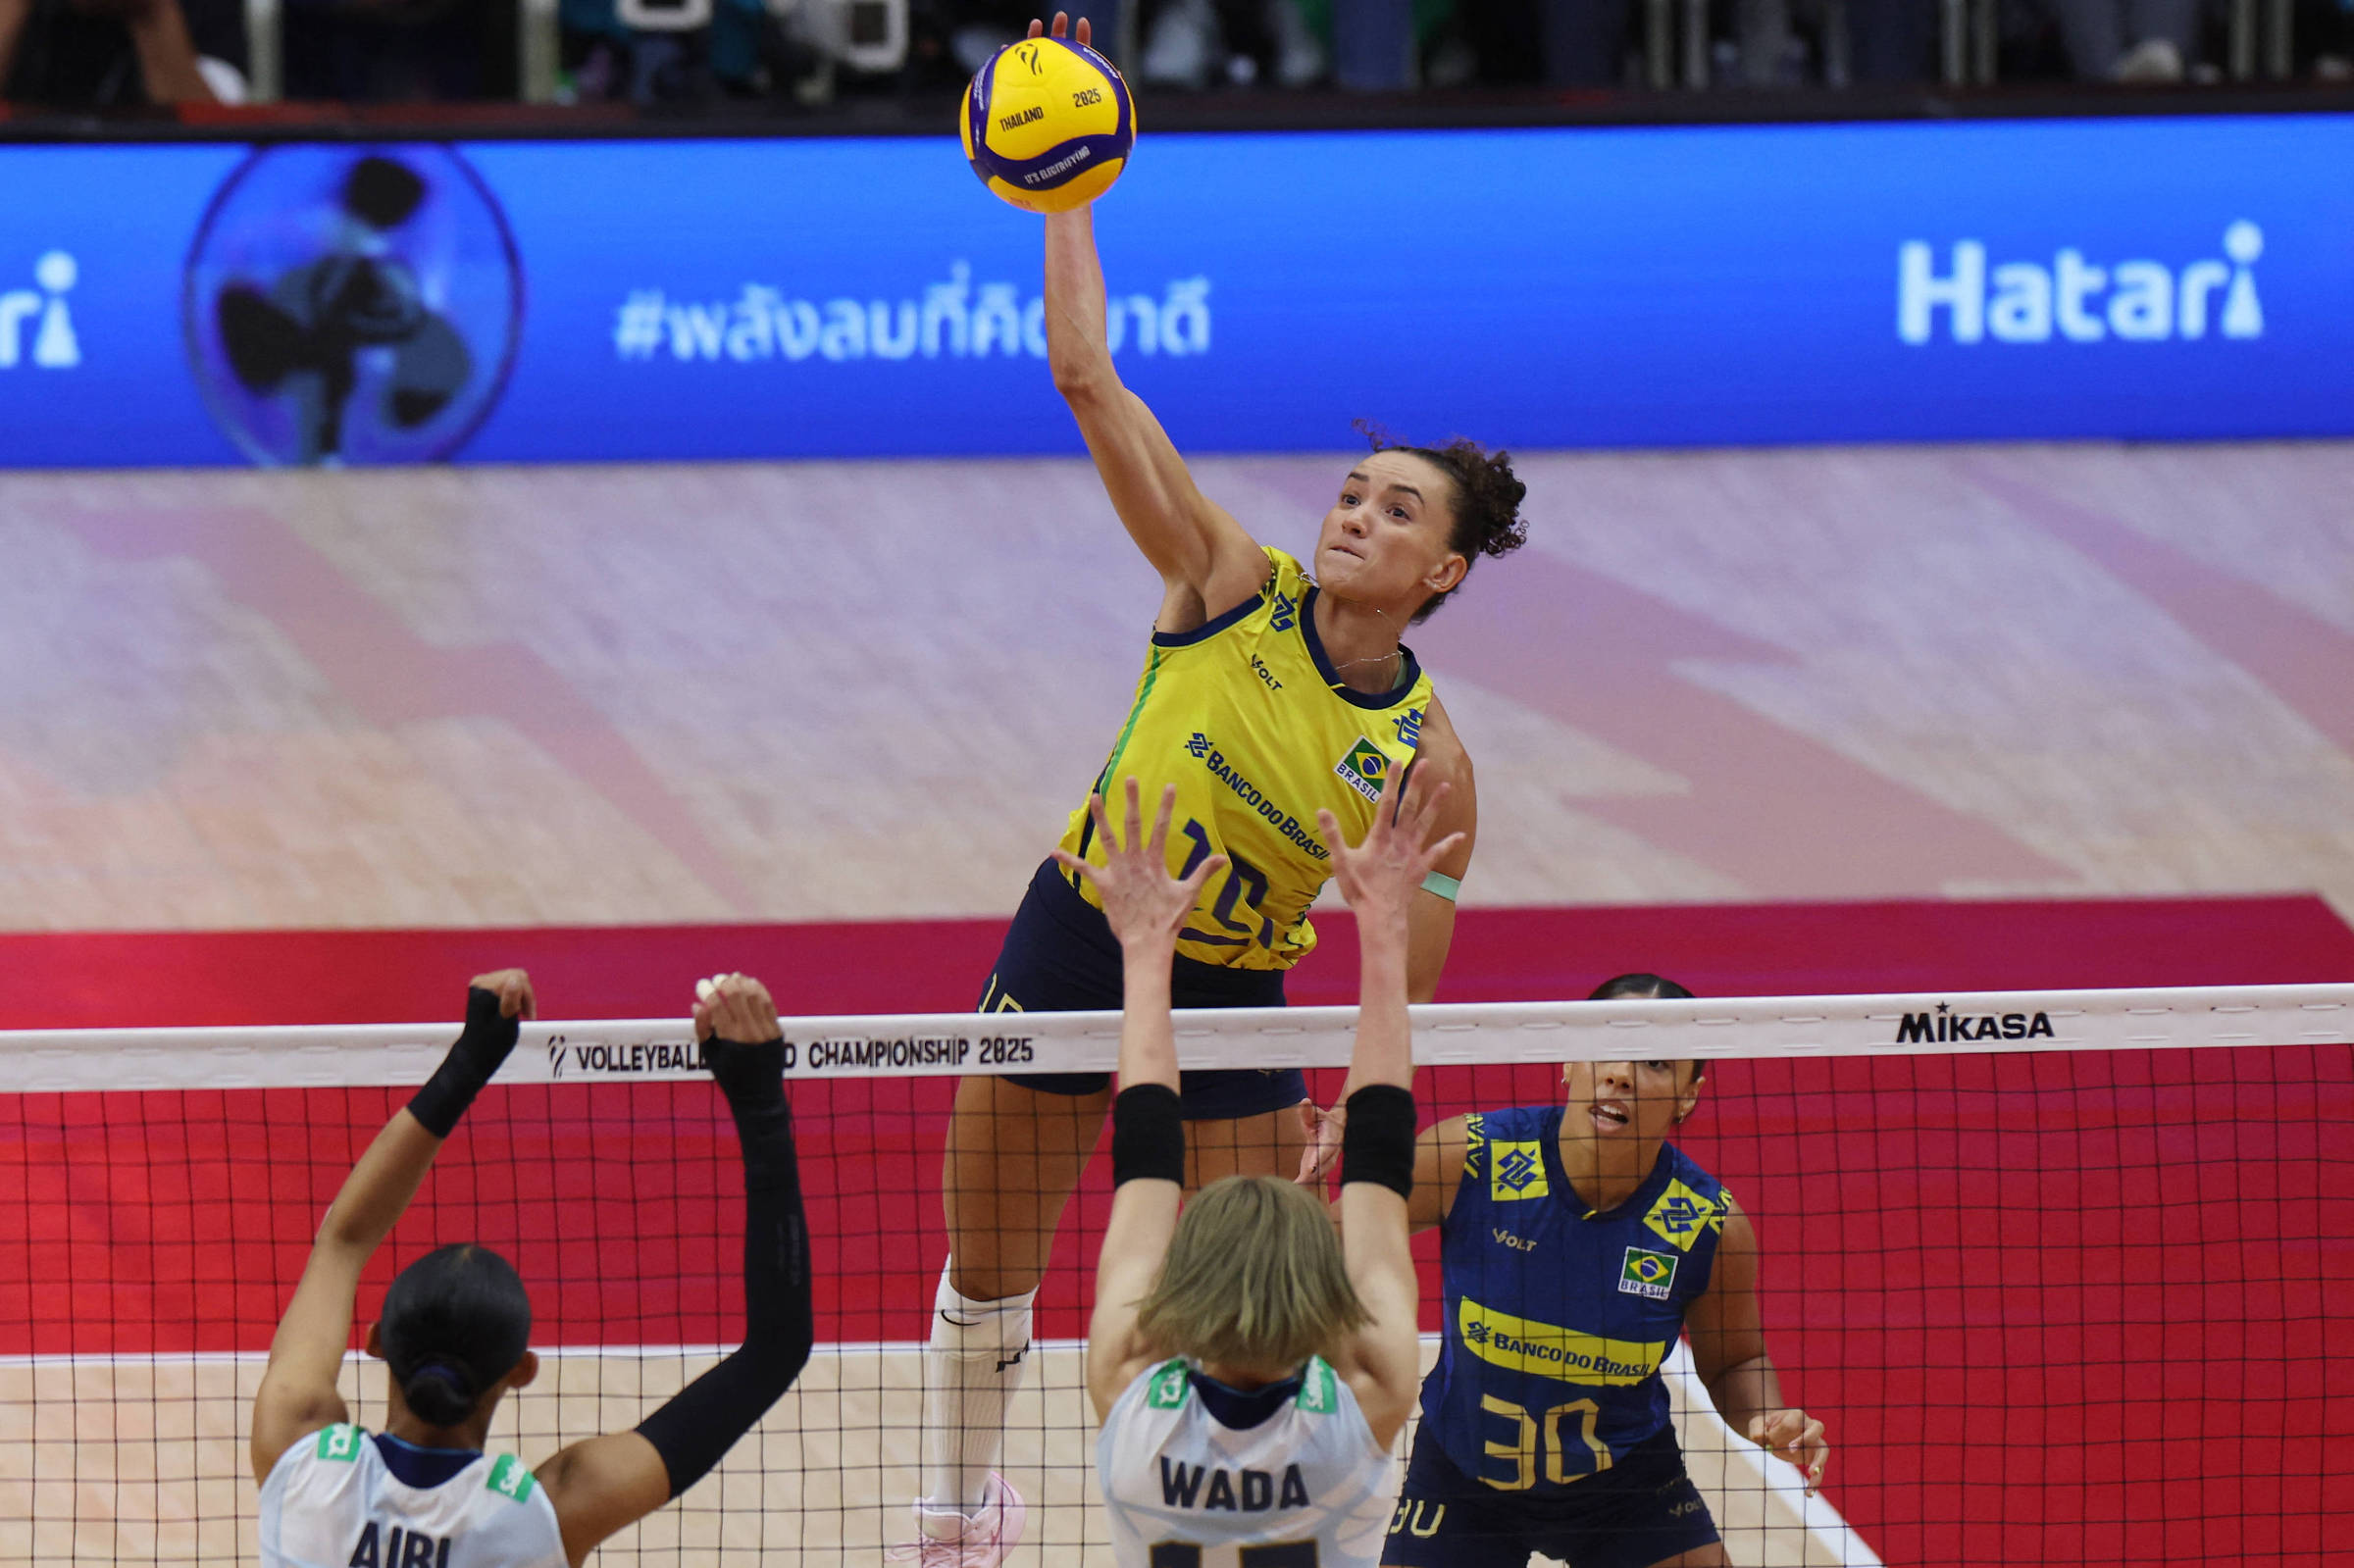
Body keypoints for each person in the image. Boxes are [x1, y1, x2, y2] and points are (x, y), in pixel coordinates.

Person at [906, 14, 1525, 1562]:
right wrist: (1067, 190)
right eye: (1351, 491)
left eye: (1396, 511)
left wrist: (1360, 975)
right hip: (1077, 937)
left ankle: (1274, 1519)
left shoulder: (1433, 761)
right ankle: (957, 1509)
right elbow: (1085, 376)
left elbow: (1409, 974)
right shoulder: (1225, 583)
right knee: (992, 1266)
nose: (1354, 514)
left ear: (1445, 570)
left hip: (1244, 997)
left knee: (1272, 1301)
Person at [251, 970, 813, 1568]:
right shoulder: (546, 1515)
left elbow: (343, 1238)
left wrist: (469, 1063)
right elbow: (776, 1351)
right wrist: (759, 1100)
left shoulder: (298, 1453)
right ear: (521, 1370)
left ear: (377, 1342)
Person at [1078, 771, 1457, 1567]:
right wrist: (1385, 929)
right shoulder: (1367, 1396)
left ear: (1186, 1277)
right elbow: (1380, 1153)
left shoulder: (1127, 1380)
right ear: (1319, 1284)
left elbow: (1145, 1148)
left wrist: (1144, 950)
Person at [1379, 973, 1830, 1568]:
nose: (1620, 1073)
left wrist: (1766, 1418)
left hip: (1625, 1487)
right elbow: (1329, 1244)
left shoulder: (1706, 1225)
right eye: (1606, 1045)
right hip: (1463, 1478)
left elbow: (1736, 1360)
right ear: (1570, 1058)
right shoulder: (1470, 1157)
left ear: (1688, 1095)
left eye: (1655, 1062)